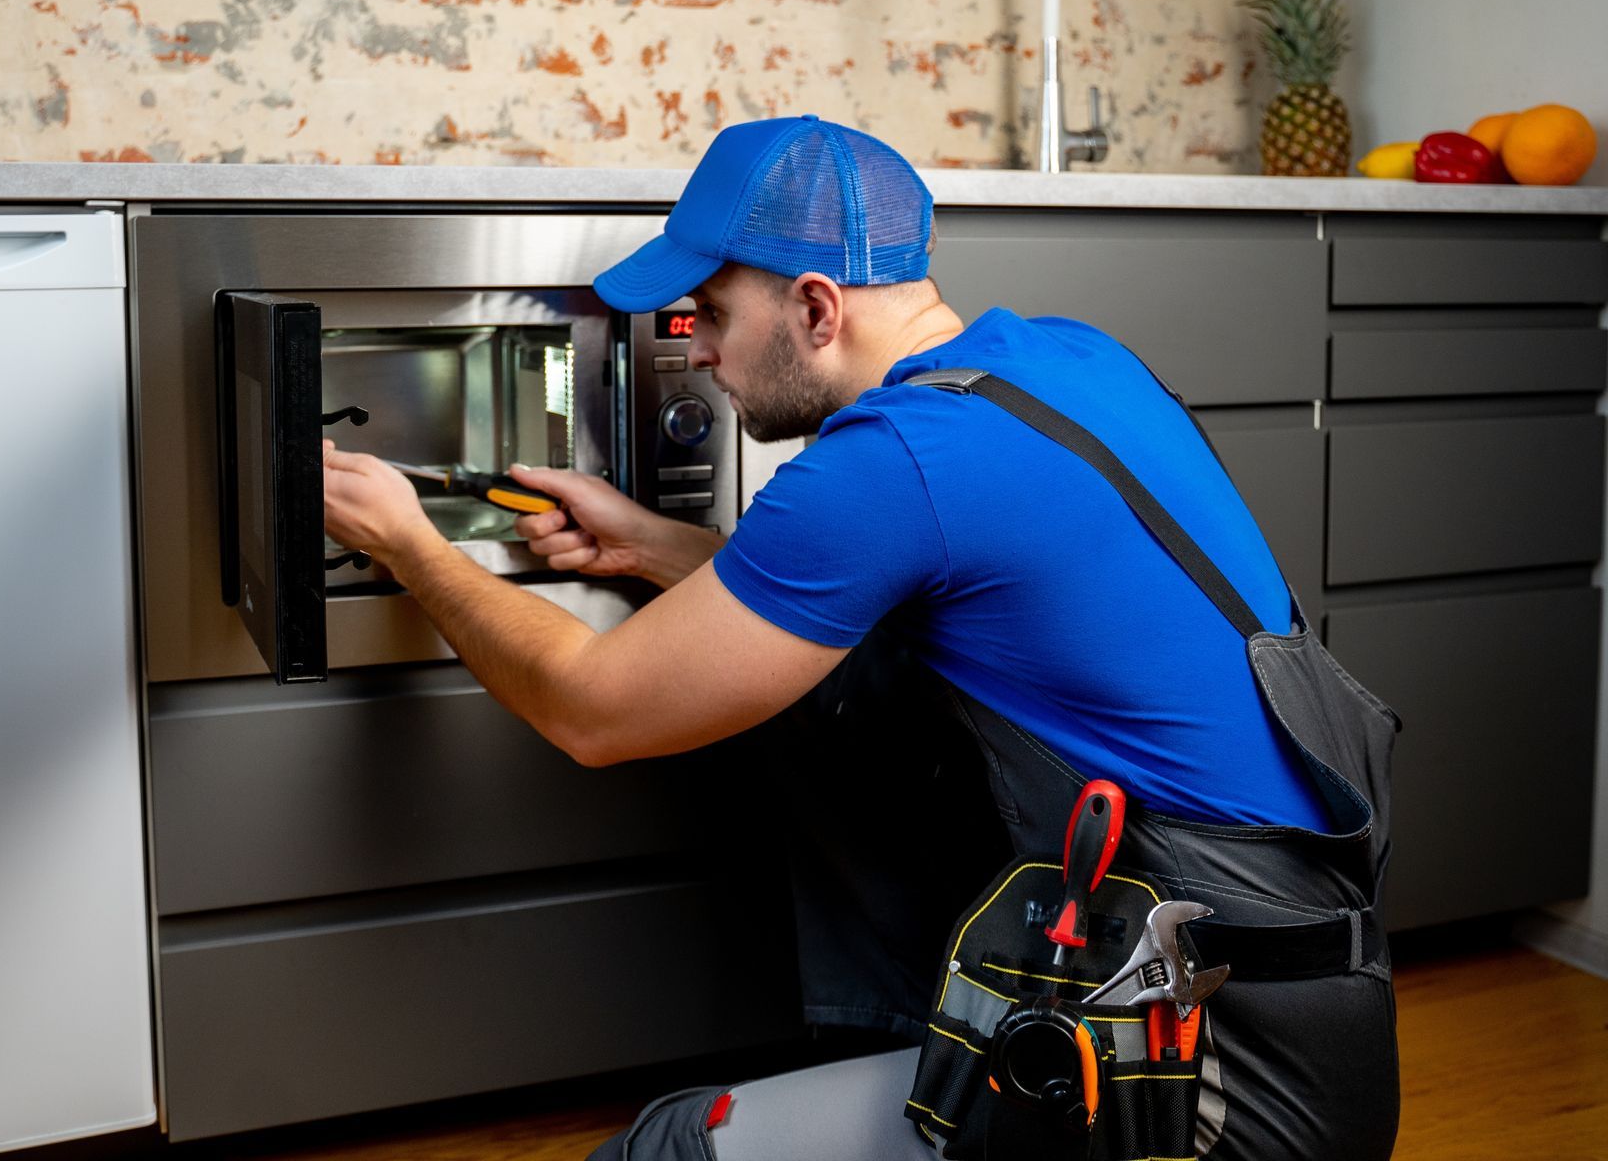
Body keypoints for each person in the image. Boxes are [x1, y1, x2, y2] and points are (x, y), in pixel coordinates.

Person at [319, 116, 1399, 1161]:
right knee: (849, 689)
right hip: (1305, 1009)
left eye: (710, 314)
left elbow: (591, 709)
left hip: (1208, 1087)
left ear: (817, 306)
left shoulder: (894, 460)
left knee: (668, 1147)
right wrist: (651, 545)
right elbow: (887, 591)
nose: (699, 354)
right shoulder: (1063, 362)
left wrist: (412, 545)